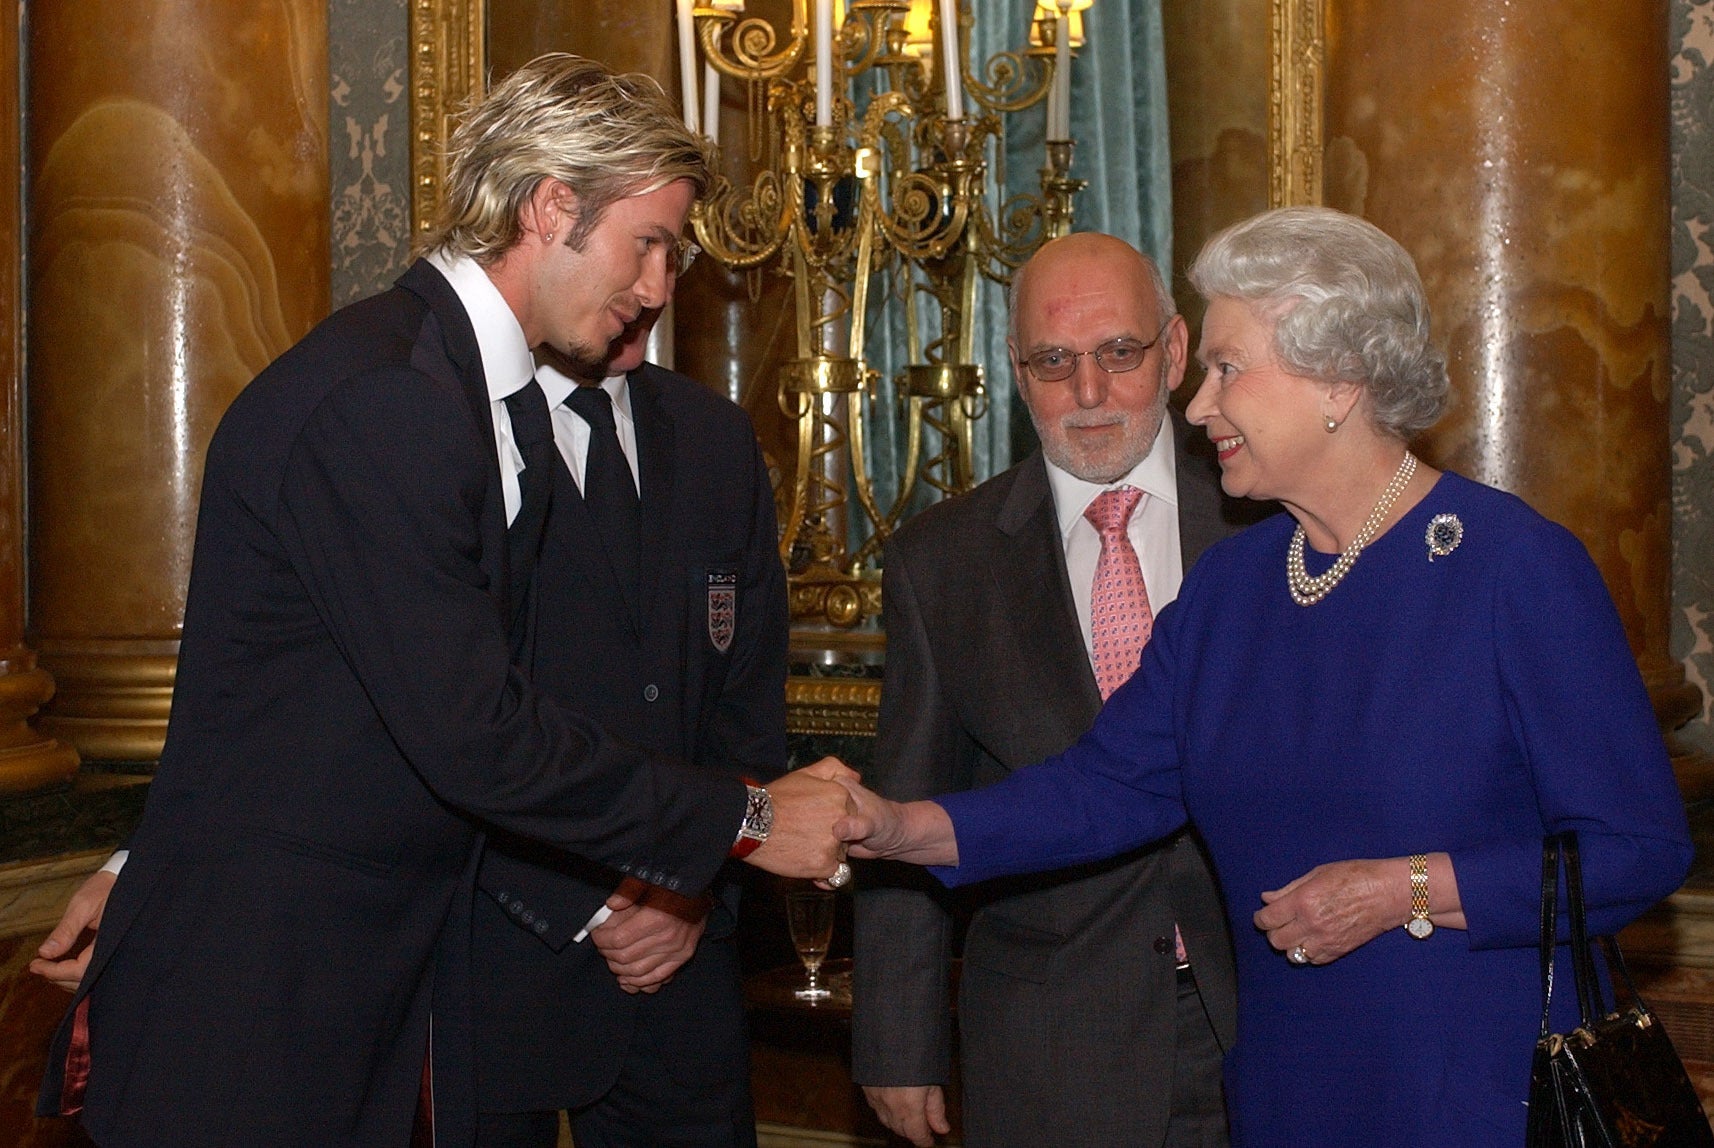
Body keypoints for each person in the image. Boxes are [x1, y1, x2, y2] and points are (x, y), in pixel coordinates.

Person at [31, 53, 853, 1148]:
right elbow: (478, 734)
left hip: (362, 991)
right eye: (647, 243)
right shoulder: (392, 400)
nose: (660, 287)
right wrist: (748, 817)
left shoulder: (458, 390)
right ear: (551, 203)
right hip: (263, 1011)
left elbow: (327, 709)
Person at [835, 206, 1695, 1147]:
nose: (1197, 406)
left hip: (1477, 1089)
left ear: (1337, 378)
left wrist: (1403, 890)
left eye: (1225, 368)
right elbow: (1101, 788)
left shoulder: (1512, 569)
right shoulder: (1234, 589)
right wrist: (904, 827)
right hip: (1289, 1093)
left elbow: (1637, 848)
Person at [851, 233, 1258, 1148]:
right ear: (1015, 369)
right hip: (1050, 1041)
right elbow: (908, 807)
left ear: (1176, 351)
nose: (1089, 393)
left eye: (1120, 353)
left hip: (1266, 1007)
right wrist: (897, 1040)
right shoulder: (942, 563)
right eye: (1054, 361)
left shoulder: (1263, 522)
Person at [470, 303, 786, 1147]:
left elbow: (748, 708)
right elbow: (451, 719)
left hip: (685, 966)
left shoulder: (716, 437)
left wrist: (689, 887)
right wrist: (591, 904)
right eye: (637, 248)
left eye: (671, 257)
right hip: (493, 960)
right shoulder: (462, 432)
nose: (652, 290)